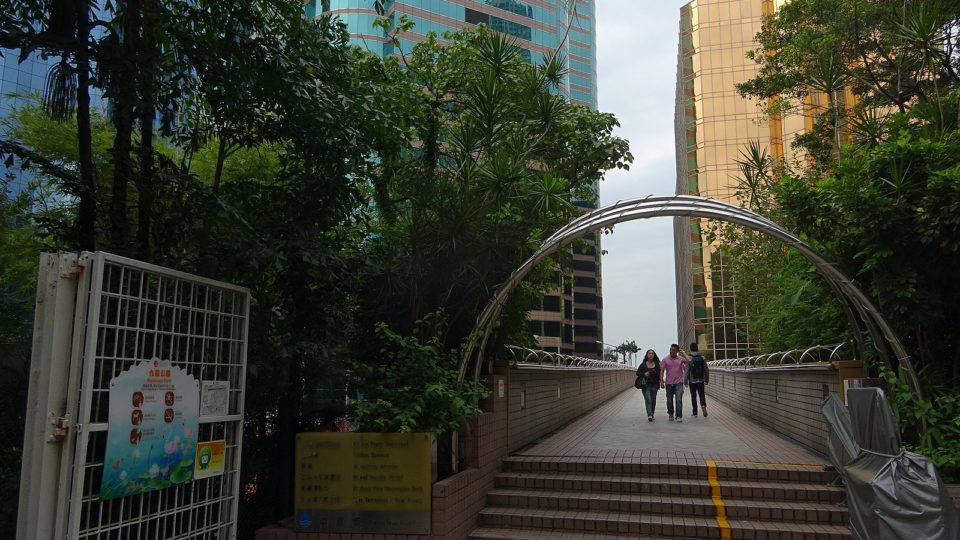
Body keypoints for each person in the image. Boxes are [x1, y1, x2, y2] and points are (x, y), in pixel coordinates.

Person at [660, 343, 690, 422]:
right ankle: (670, 413)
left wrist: (683, 352)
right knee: (669, 400)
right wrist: (661, 381)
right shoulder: (665, 359)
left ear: (677, 351)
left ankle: (679, 416)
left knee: (679, 399)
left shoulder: (680, 359)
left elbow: (689, 361)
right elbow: (662, 370)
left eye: (673, 350)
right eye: (670, 349)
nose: (671, 351)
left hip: (679, 383)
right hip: (669, 383)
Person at [636, 349, 662, 421]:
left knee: (653, 400)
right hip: (645, 385)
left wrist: (661, 382)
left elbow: (660, 373)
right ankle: (649, 415)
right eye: (649, 353)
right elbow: (637, 373)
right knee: (648, 399)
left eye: (652, 354)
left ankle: (652, 413)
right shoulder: (643, 364)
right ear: (647, 355)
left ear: (654, 355)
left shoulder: (657, 364)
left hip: (654, 385)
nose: (651, 355)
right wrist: (644, 374)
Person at [685, 342, 709, 417]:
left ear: (690, 348)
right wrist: (706, 379)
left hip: (692, 381)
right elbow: (706, 369)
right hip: (701, 380)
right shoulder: (702, 357)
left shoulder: (689, 358)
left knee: (693, 396)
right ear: (697, 348)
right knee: (702, 395)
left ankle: (695, 412)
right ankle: (703, 405)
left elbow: (687, 370)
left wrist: (685, 381)